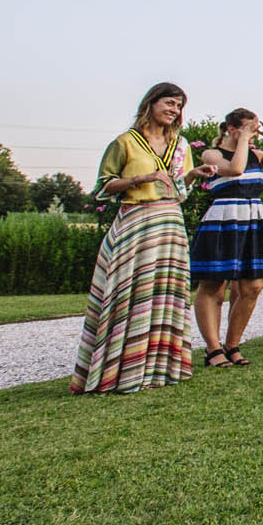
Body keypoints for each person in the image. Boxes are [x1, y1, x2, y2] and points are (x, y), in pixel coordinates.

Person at [72, 82, 211, 394]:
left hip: (169, 223)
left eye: (179, 106)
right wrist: (141, 178)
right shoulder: (125, 142)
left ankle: (158, 369)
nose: (174, 110)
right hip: (135, 222)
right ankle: (121, 371)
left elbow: (180, 189)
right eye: (169, 103)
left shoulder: (181, 145)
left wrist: (193, 174)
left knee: (163, 295)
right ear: (151, 103)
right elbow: (103, 186)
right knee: (129, 294)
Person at [192, 109, 263, 367]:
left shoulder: (257, 155)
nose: (254, 134)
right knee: (213, 286)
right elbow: (235, 169)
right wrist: (243, 139)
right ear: (232, 129)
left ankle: (232, 345)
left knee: (253, 286)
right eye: (250, 128)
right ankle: (213, 349)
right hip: (222, 220)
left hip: (253, 220)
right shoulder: (212, 154)